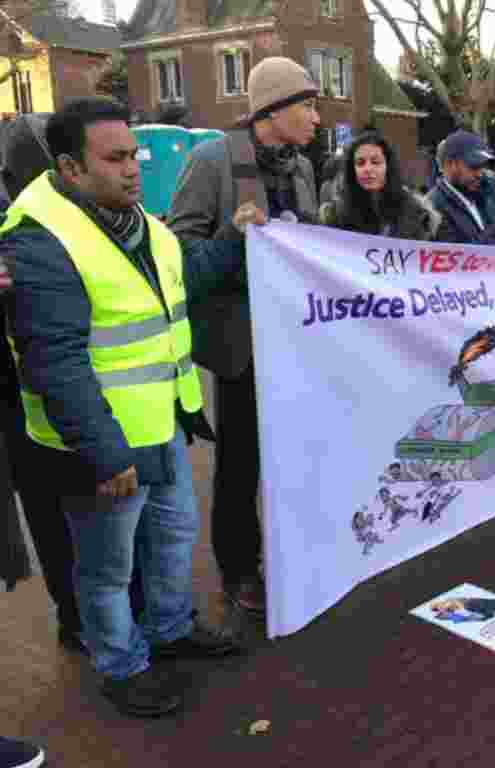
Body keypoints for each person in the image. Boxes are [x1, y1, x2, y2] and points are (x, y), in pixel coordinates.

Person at [4, 98, 264, 717]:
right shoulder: (40, 239)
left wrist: (232, 237)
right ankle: (121, 666)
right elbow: (54, 360)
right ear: (70, 167)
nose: (132, 170)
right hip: (104, 444)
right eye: (115, 158)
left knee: (174, 537)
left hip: (161, 422)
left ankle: (170, 629)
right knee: (106, 568)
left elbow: (184, 278)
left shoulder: (137, 222)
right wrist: (104, 451)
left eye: (134, 156)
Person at [168, 56, 320, 614]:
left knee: (297, 451)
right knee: (241, 462)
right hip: (242, 346)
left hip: (295, 338)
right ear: (272, 110)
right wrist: (234, 238)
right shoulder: (212, 161)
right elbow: (180, 262)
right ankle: (238, 569)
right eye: (307, 105)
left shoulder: (303, 168)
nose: (317, 118)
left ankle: (292, 551)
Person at [0, 113, 147, 654]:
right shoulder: (27, 225)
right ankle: (82, 619)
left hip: (51, 390)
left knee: (77, 517)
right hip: (26, 393)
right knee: (58, 513)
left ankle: (92, 616)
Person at [319, 130, 438, 238]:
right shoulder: (335, 216)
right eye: (360, 163)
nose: (367, 169)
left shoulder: (416, 213)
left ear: (388, 167)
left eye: (375, 162)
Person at [427, 130, 495, 245]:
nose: (480, 174)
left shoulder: (481, 196)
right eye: (474, 166)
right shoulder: (433, 207)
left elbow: (490, 241)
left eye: (483, 166)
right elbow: (453, 254)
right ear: (451, 164)